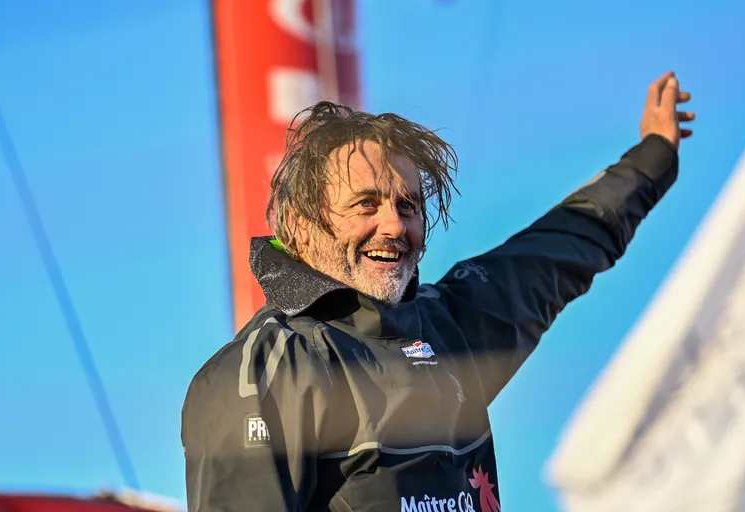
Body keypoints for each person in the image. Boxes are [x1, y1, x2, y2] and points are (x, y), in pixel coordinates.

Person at [181, 71, 694, 511]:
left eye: (408, 207)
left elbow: (557, 250)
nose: (393, 226)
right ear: (300, 225)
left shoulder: (450, 326)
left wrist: (652, 159)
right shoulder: (264, 371)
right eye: (365, 205)